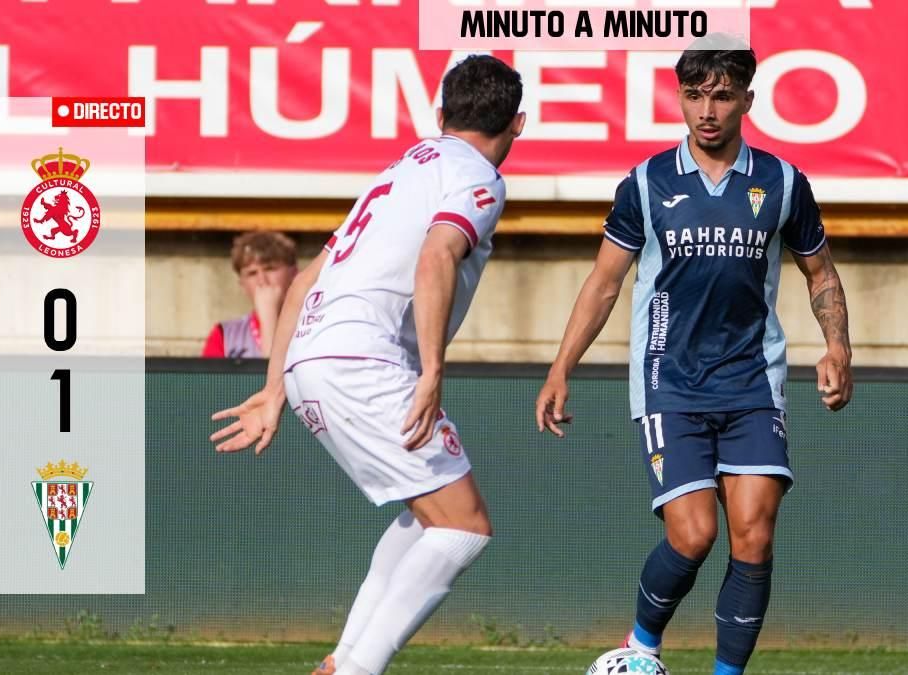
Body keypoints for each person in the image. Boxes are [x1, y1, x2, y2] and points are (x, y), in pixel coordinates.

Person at [535, 37, 853, 675]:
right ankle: (642, 648)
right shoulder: (648, 183)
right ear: (680, 98)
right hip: (668, 381)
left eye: (722, 96)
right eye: (694, 95)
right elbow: (603, 283)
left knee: (754, 537)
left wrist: (838, 345)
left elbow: (819, 273)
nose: (707, 110)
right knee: (693, 534)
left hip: (751, 381)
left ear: (747, 102)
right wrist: (561, 366)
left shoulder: (782, 182)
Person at [208, 54, 524, 675]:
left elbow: (302, 283)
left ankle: (343, 660)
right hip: (363, 359)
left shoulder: (401, 168)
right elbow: (437, 256)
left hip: (312, 360)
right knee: (464, 527)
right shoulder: (479, 177)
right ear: (519, 124)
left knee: (426, 512)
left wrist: (276, 387)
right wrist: (432, 372)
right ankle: (358, 669)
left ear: (439, 115)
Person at [201, 231, 299, 359]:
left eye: (270, 269)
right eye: (252, 273)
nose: (262, 280)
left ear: (294, 273)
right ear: (242, 284)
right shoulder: (223, 336)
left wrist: (269, 317)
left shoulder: (313, 327)